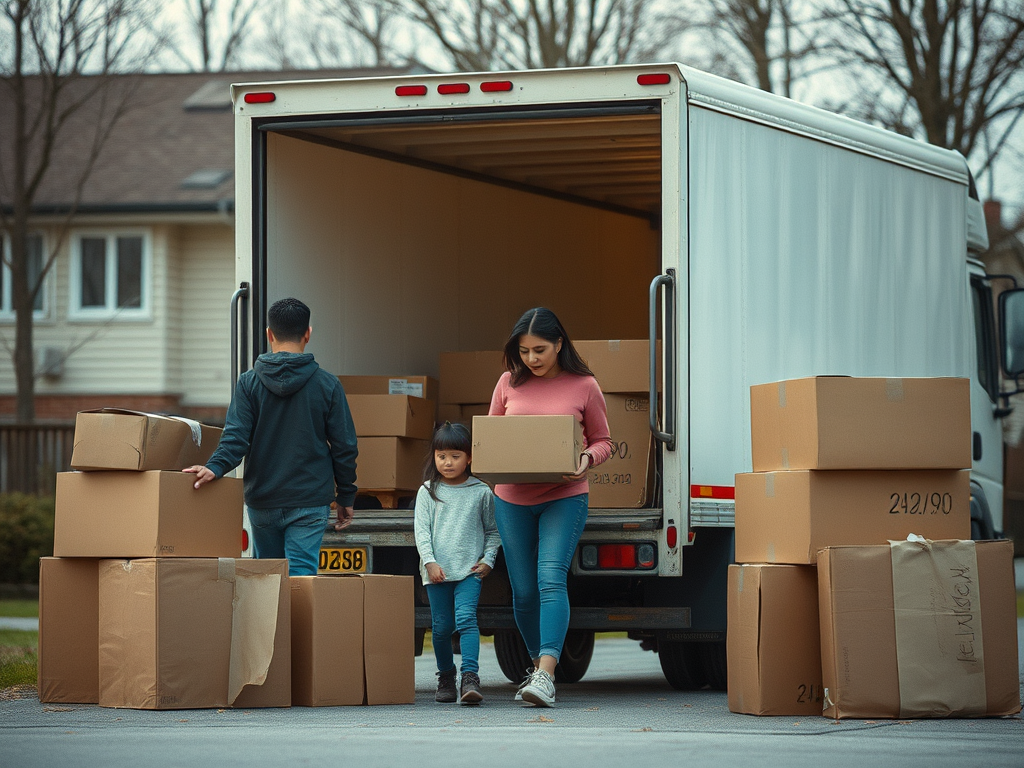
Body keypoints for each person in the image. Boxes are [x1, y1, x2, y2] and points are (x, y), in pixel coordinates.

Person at [487, 307, 612, 707]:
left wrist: (587, 458)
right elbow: (491, 439)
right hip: (512, 499)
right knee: (523, 592)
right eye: (524, 351)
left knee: (550, 578)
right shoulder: (507, 383)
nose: (531, 359)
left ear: (559, 344)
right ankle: (536, 667)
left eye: (539, 350)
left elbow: (604, 441)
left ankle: (546, 673)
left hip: (564, 496)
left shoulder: (584, 385)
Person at [184, 297, 358, 576]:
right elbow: (344, 446)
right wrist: (346, 495)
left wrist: (214, 467)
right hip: (310, 499)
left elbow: (236, 438)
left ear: (269, 334)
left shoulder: (248, 383)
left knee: (267, 578)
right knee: (301, 576)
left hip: (263, 500)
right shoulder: (328, 384)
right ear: (308, 334)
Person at [414, 421, 500, 705]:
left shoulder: (481, 491)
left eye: (455, 456)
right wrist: (430, 563)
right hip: (436, 572)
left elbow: (493, 530)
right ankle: (446, 677)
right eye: (441, 456)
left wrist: (488, 560)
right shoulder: (428, 491)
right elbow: (421, 532)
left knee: (466, 620)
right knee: (441, 628)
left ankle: (470, 677)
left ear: (469, 458)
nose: (448, 462)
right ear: (434, 457)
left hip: (469, 572)